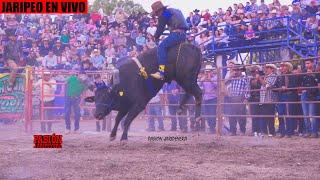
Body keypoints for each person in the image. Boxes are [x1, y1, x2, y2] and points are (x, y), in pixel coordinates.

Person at [149, 1, 189, 80]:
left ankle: (161, 72)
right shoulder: (173, 11)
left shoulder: (164, 14)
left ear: (159, 10)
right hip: (183, 34)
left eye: (156, 13)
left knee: (161, 47)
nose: (157, 15)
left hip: (176, 34)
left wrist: (155, 37)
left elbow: (160, 28)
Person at [300, 59, 319, 138]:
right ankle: (308, 131)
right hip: (304, 94)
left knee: (312, 114)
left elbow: (318, 85)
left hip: (312, 94)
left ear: (312, 63)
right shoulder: (304, 73)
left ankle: (314, 132)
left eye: (308, 63)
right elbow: (301, 83)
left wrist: (312, 75)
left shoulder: (316, 73)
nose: (307, 65)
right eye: (306, 64)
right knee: (305, 114)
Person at [199, 64, 217, 134]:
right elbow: (199, 85)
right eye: (207, 71)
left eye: (209, 71)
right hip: (206, 98)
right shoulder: (204, 78)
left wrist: (210, 80)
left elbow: (217, 86)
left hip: (213, 98)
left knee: (212, 113)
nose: (208, 72)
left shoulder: (215, 78)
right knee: (207, 114)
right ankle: (210, 127)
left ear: (212, 71)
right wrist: (202, 80)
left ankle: (212, 128)